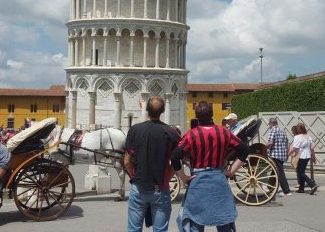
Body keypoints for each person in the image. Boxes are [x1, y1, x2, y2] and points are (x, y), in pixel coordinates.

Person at [171, 101, 249, 232]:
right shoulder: (224, 132)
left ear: (197, 117)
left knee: (195, 222)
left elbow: (174, 156)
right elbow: (244, 150)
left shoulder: (191, 134)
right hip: (219, 179)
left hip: (198, 181)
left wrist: (183, 177)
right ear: (212, 115)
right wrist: (231, 171)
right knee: (224, 221)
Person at [124, 96, 180, 232]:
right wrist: (169, 176)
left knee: (134, 229)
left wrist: (134, 177)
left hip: (139, 186)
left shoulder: (135, 130)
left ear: (147, 109)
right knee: (160, 230)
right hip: (160, 187)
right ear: (163, 111)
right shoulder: (171, 132)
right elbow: (177, 160)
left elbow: (126, 161)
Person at [288, 123, 317, 195]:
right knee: (301, 171)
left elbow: (294, 148)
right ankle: (301, 188)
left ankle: (312, 185)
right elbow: (312, 148)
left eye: (297, 128)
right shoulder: (308, 137)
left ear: (299, 129)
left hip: (300, 156)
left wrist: (287, 154)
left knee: (300, 172)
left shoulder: (297, 137)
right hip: (307, 156)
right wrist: (314, 157)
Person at [266, 118, 292, 197]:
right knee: (275, 170)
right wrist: (287, 153)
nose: (269, 126)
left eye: (269, 124)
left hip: (275, 154)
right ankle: (269, 186)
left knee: (280, 172)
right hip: (282, 154)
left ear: (271, 124)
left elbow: (270, 143)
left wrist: (264, 147)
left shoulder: (273, 130)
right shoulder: (282, 130)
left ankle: (287, 190)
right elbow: (287, 143)